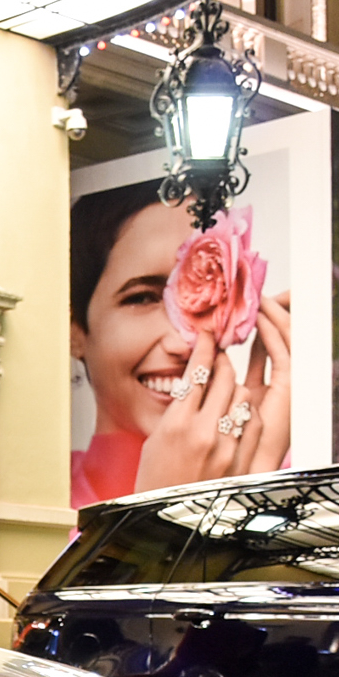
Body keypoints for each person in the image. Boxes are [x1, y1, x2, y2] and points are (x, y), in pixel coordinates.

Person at [68, 186, 291, 507]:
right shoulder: (46, 501)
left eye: (209, 292)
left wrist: (256, 487)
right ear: (75, 329)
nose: (180, 343)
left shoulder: (284, 469)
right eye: (142, 297)